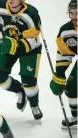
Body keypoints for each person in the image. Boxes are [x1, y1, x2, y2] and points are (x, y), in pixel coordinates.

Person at [50, 0, 77, 129]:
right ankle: (76, 117)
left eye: (77, 13)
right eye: (71, 13)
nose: (74, 17)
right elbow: (64, 52)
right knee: (71, 87)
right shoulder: (66, 31)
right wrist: (59, 74)